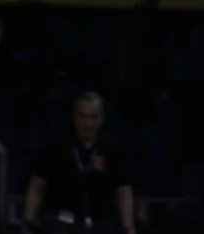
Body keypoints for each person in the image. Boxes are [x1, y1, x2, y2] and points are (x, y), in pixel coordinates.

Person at [23, 92, 134, 234]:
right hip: (61, 223)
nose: (88, 123)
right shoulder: (55, 146)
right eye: (83, 116)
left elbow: (123, 190)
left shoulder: (113, 148)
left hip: (102, 224)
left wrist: (128, 226)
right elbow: (36, 186)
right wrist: (28, 223)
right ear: (74, 116)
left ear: (101, 118)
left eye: (93, 117)